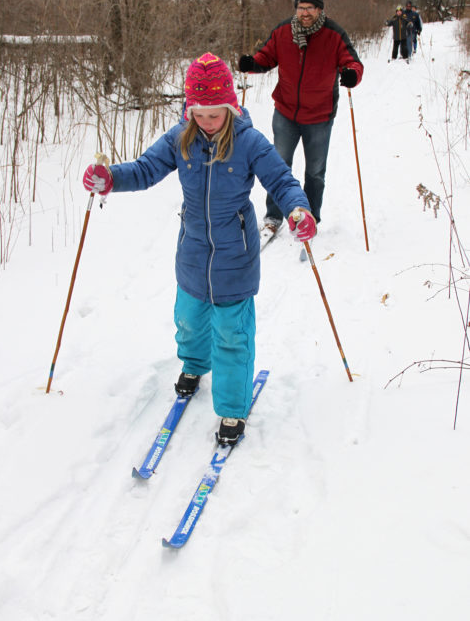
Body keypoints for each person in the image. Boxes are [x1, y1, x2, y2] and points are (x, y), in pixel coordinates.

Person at [82, 52, 316, 446]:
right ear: (189, 110)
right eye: (200, 113)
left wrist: (298, 208)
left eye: (215, 114)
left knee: (232, 334)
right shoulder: (181, 138)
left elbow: (282, 179)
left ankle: (231, 408)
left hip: (235, 256)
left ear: (231, 106)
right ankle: (194, 364)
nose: (207, 122)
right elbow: (143, 169)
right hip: (192, 251)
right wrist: (109, 180)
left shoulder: (249, 142)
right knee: (188, 318)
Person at [238, 0, 363, 235]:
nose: (305, 12)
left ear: (320, 9)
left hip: (319, 116)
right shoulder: (284, 31)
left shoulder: (334, 34)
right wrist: (251, 63)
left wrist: (351, 75)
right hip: (286, 113)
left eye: (311, 8)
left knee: (315, 173)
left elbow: (352, 62)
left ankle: (311, 218)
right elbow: (267, 57)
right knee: (278, 165)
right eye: (301, 7)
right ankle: (273, 217)